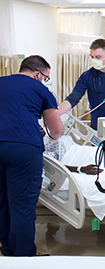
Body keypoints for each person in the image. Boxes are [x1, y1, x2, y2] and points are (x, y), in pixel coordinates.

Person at [0, 55, 64, 256]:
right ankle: (25, 256)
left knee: (2, 202)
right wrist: (51, 133)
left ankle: (8, 250)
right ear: (38, 74)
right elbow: (56, 129)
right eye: (45, 77)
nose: (45, 81)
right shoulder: (41, 90)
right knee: (22, 205)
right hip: (23, 149)